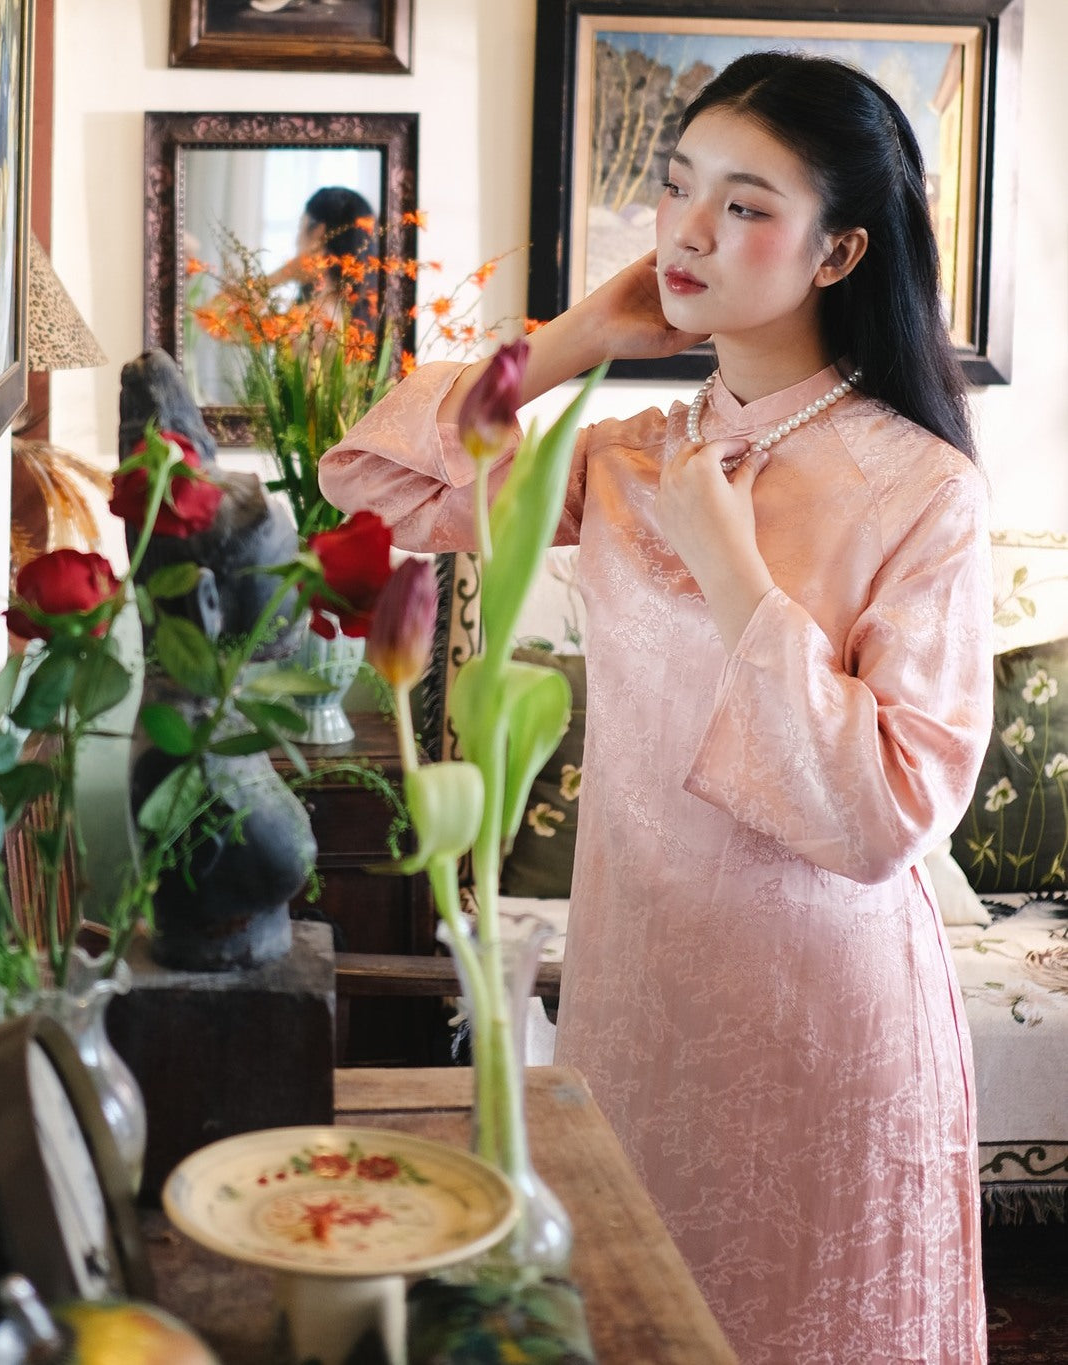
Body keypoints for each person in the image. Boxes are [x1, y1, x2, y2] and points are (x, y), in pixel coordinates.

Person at [319, 51, 990, 1363]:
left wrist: (734, 568)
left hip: (823, 1012)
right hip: (634, 994)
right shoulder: (626, 458)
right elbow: (374, 485)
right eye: (678, 187)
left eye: (745, 204)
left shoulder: (924, 492)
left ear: (838, 251)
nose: (687, 230)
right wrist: (575, 338)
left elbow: (886, 816)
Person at [266, 184, 379, 331]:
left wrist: (284, 273)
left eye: (300, 229)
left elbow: (231, 326)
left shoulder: (315, 320)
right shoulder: (367, 313)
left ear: (318, 233)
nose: (296, 241)